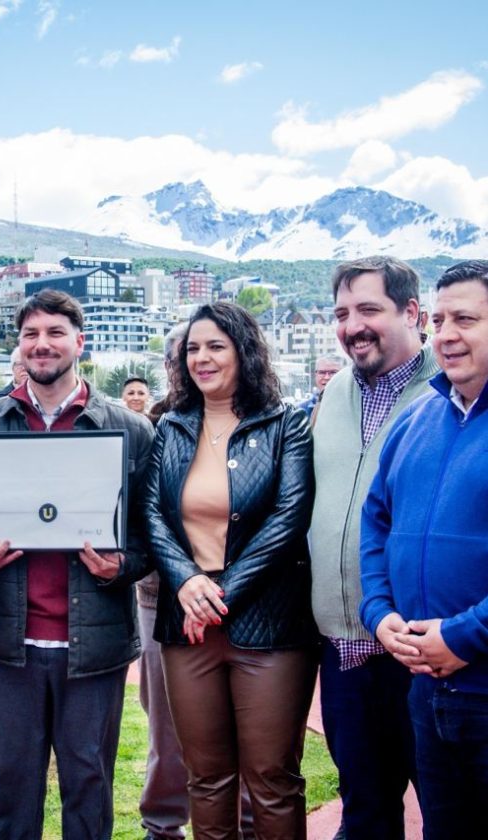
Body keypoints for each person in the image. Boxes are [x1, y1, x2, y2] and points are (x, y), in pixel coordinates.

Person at [0, 289, 154, 840]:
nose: (41, 345)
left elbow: (149, 533)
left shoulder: (131, 430)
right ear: (18, 347)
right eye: (30, 335)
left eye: (54, 333)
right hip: (9, 645)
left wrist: (121, 565)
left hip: (93, 647)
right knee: (14, 787)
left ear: (79, 342)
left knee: (88, 788)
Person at [144, 302, 317, 839]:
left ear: (244, 351)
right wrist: (188, 580)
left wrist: (220, 594)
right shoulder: (170, 427)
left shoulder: (286, 423)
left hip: (269, 625)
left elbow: (289, 517)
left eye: (216, 346)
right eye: (193, 348)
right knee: (207, 779)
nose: (202, 358)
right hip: (187, 624)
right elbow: (152, 513)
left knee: (271, 778)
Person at [309, 256, 438, 839]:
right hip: (345, 647)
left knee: (447, 807)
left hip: (425, 650)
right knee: (364, 807)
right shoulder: (334, 391)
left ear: (412, 312)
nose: (352, 325)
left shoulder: (448, 389)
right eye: (342, 313)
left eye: (369, 310)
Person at [360, 260, 488, 839]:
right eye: (439, 320)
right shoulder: (415, 421)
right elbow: (376, 524)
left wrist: (463, 637)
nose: (447, 334)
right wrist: (379, 612)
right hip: (426, 691)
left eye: (466, 318)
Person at [138, 325, 190, 840]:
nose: (188, 363)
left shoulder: (264, 419)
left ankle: (241, 823)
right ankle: (163, 824)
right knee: (166, 726)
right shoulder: (152, 426)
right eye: (177, 355)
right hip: (158, 597)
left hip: (239, 598)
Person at [298, 355, 343, 422]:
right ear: (315, 375)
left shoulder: (355, 407)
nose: (327, 377)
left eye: (333, 372)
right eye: (322, 372)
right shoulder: (302, 410)